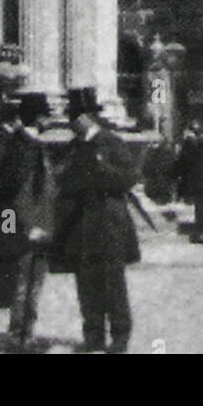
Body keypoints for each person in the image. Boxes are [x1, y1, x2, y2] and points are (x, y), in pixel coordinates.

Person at [0, 92, 56, 351]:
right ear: (39, 118)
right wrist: (17, 229)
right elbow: (13, 191)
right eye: (47, 115)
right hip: (27, 227)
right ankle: (19, 336)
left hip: (36, 225)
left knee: (31, 282)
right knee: (23, 281)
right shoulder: (21, 146)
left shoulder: (29, 144)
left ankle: (25, 332)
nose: (50, 120)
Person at [51, 87, 141, 354]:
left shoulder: (111, 142)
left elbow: (129, 177)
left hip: (109, 223)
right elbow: (61, 179)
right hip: (80, 225)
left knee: (113, 282)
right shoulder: (74, 147)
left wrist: (103, 169)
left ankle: (120, 337)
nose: (71, 122)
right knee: (86, 283)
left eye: (74, 117)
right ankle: (93, 336)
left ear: (87, 117)